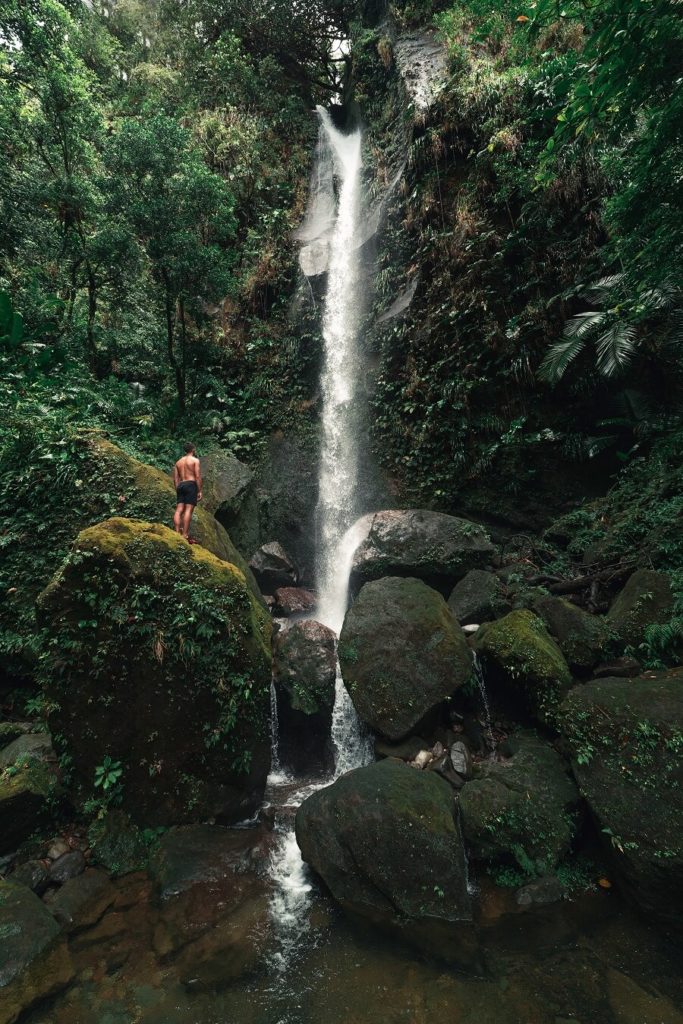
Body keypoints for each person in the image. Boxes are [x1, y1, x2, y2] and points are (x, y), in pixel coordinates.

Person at [173, 442, 202, 541]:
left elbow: (176, 479)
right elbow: (197, 476)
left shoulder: (178, 462)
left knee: (179, 510)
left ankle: (177, 532)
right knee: (188, 510)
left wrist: (178, 488)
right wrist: (199, 490)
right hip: (191, 484)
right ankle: (184, 534)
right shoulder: (195, 460)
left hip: (181, 485)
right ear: (193, 449)